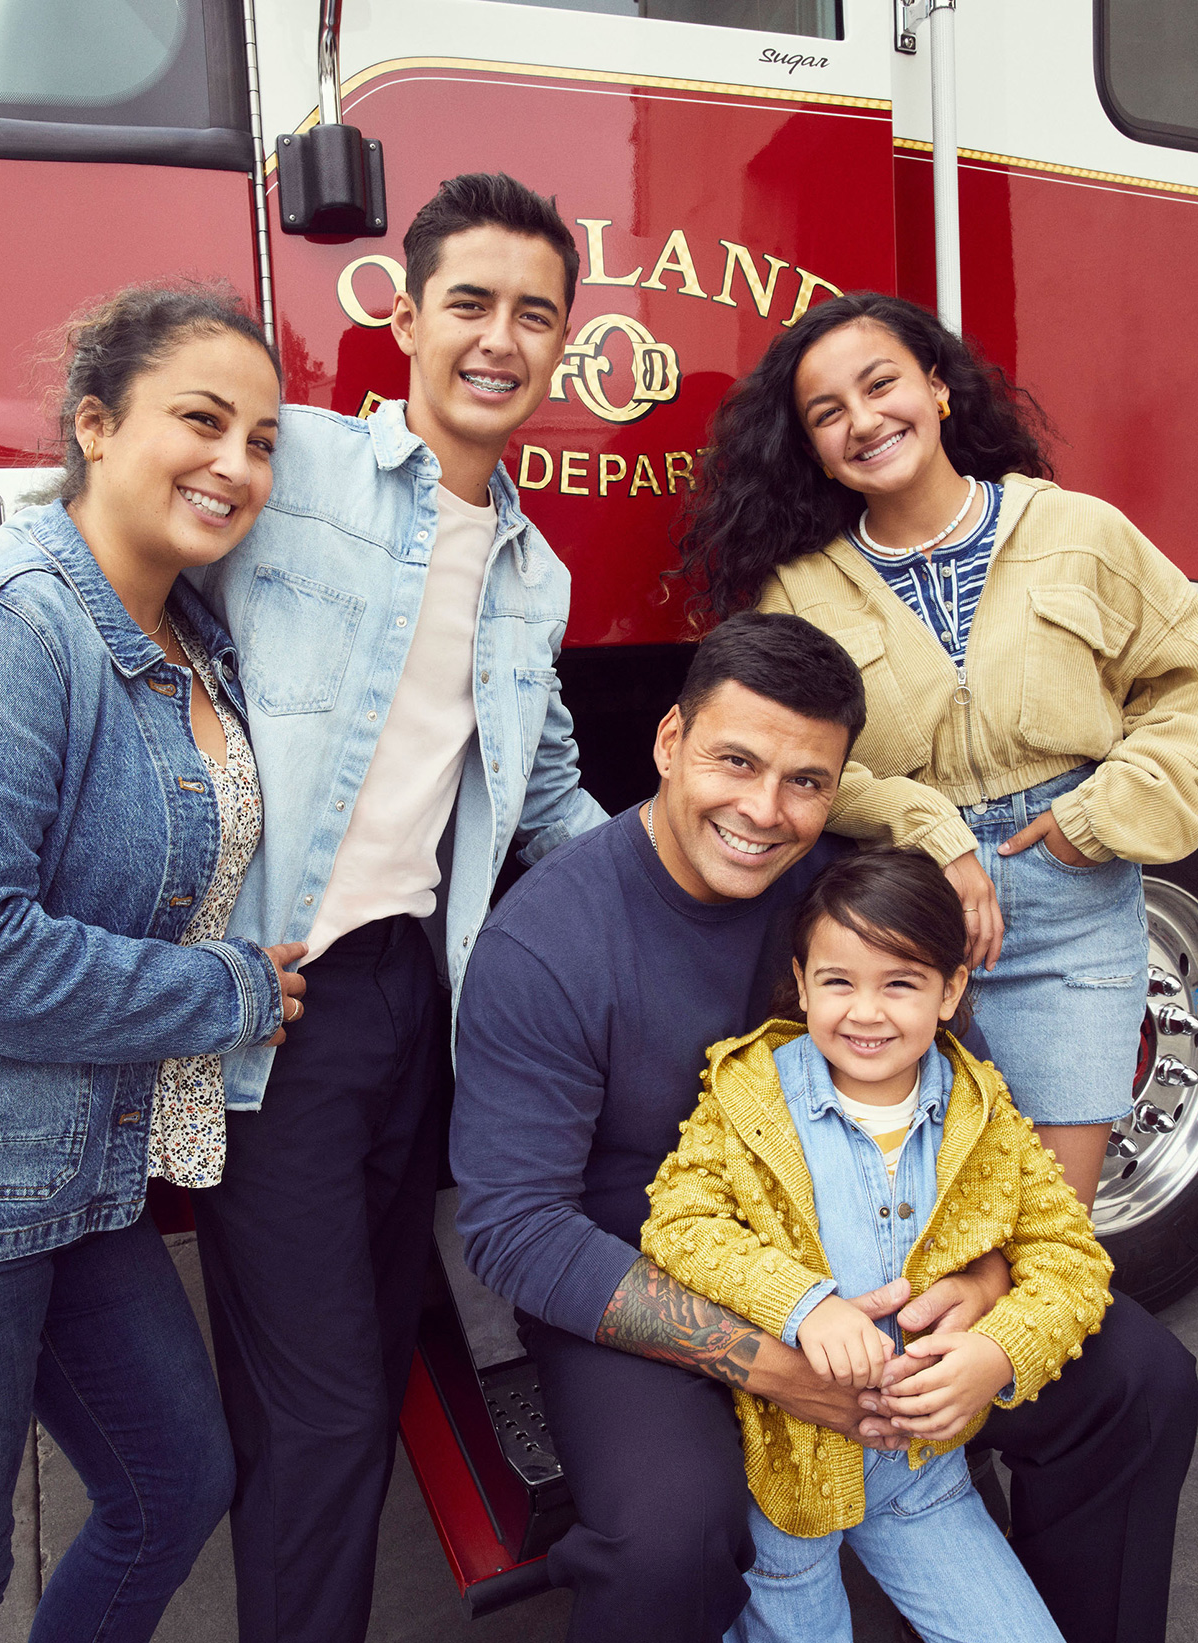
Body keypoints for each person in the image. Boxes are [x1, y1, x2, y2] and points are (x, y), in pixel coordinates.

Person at [0, 171, 605, 1643]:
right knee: (311, 1413)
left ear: (562, 343)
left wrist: (717, 886)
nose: (501, 340)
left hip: (411, 1005)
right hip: (272, 1001)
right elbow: (106, 586)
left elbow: (550, 791)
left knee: (367, 1374)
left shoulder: (535, 573)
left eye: (537, 315)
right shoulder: (290, 463)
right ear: (408, 314)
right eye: (471, 304)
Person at [451, 610, 1197, 1643]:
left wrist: (982, 1279)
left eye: (805, 780)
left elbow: (960, 1097)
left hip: (885, 1256)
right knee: (668, 1532)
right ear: (668, 742)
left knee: (1139, 1382)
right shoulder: (545, 942)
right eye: (733, 760)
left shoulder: (841, 887)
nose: (763, 809)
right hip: (646, 1277)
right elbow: (514, 1227)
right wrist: (766, 1359)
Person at [672, 292, 1198, 1214]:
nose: (864, 421)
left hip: (1070, 903)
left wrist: (1097, 816)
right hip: (898, 915)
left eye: (881, 386)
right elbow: (788, 766)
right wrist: (925, 823)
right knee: (911, 1218)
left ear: (940, 388)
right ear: (811, 445)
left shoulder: (1078, 531)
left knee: (1047, 1230)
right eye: (827, 413)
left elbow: (1186, 678)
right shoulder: (800, 587)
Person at [0, 286, 306, 1643]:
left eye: (263, 440)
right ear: (96, 424)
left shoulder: (197, 634)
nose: (235, 464)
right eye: (202, 421)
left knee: (174, 1479)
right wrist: (223, 991)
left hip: (85, 1175)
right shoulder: (11, 627)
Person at [641, 849, 1113, 1643]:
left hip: (920, 1477)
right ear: (800, 980)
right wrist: (806, 1307)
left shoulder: (979, 1109)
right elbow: (679, 1226)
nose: (867, 1011)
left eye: (900, 983)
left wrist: (998, 1352)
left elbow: (1071, 1258)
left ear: (951, 988)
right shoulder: (750, 1093)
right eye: (838, 981)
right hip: (782, 1483)